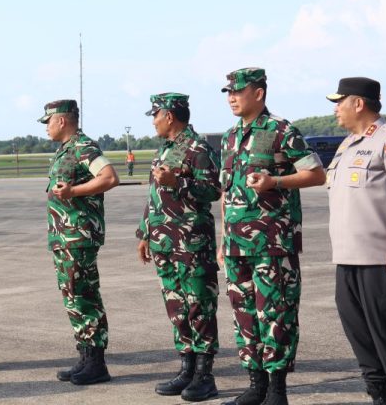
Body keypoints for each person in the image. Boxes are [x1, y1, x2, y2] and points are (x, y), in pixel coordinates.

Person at [219, 68, 326, 405]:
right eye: (228, 92)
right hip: (237, 245)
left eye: (238, 91)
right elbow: (226, 191)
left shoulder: (281, 130)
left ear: (259, 93)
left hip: (272, 243)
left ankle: (277, 390)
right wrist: (224, 239)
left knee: (276, 314)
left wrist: (275, 182)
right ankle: (256, 385)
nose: (231, 98)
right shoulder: (229, 136)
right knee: (244, 314)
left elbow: (316, 173)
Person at [325, 77, 386, 405]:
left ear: (358, 103)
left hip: (381, 261)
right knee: (361, 338)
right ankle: (379, 396)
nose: (336, 108)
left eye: (340, 101)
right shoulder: (346, 144)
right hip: (347, 261)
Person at [136, 93, 222, 401]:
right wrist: (144, 233)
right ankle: (186, 368)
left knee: (199, 305)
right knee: (176, 306)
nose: (153, 120)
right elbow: (154, 195)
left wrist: (179, 183)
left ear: (169, 115)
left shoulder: (197, 148)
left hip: (191, 243)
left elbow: (213, 189)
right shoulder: (165, 149)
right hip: (163, 242)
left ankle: (204, 374)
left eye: (155, 114)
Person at [39, 99, 120, 386]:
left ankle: (97, 363)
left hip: (79, 237)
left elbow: (110, 177)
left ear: (62, 120)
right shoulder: (64, 151)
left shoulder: (84, 147)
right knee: (74, 297)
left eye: (48, 121)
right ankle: (85, 357)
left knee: (84, 297)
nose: (46, 127)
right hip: (65, 238)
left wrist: (74, 190)